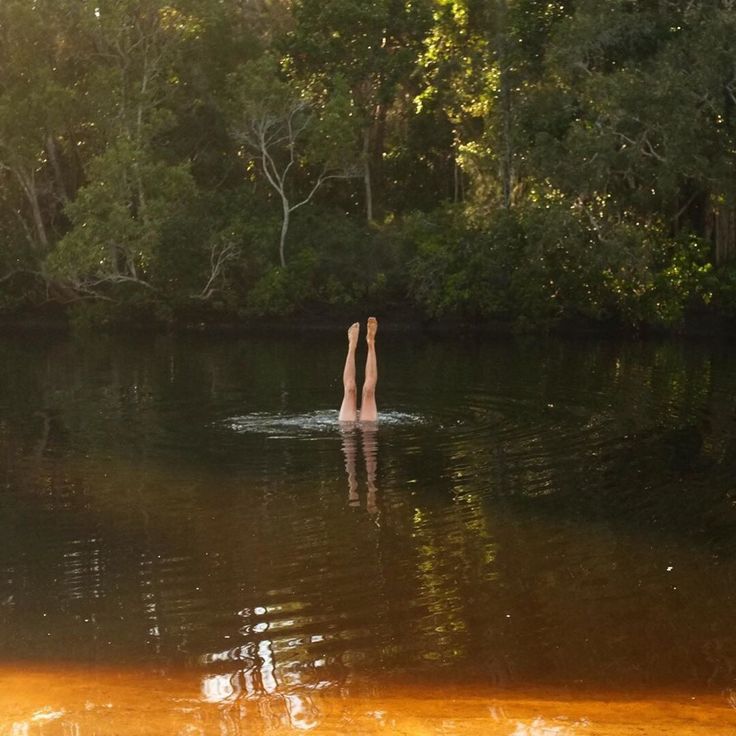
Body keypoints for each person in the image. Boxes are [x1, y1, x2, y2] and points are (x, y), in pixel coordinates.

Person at [338, 317, 378, 422]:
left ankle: (371, 341)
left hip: (368, 427)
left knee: (369, 389)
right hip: (348, 427)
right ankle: (352, 346)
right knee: (350, 389)